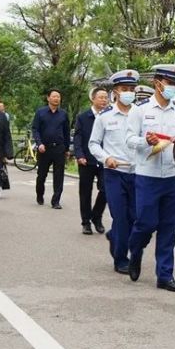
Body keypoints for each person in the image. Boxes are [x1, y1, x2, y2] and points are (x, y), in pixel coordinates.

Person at [125, 64, 175, 291]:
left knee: (168, 228)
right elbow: (129, 139)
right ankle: (136, 250)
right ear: (157, 83)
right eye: (168, 83)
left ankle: (165, 274)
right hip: (147, 176)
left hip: (172, 176)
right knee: (146, 223)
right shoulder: (139, 110)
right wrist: (146, 141)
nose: (172, 87)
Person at [89, 70, 139, 274]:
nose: (128, 92)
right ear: (116, 91)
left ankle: (114, 235)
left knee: (135, 217)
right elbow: (93, 143)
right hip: (114, 173)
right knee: (120, 216)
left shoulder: (141, 114)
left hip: (137, 173)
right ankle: (120, 258)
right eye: (124, 89)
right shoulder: (104, 117)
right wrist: (105, 158)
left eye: (131, 89)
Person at [74, 87, 109, 234]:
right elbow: (78, 138)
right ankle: (86, 222)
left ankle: (97, 216)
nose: (104, 100)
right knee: (85, 192)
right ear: (93, 99)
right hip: (86, 160)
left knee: (106, 189)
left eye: (106, 97)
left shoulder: (110, 116)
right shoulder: (83, 117)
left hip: (105, 160)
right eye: (101, 97)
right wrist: (79, 155)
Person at [31, 88, 71, 208]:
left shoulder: (63, 114)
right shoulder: (40, 112)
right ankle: (39, 194)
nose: (56, 98)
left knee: (59, 175)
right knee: (42, 175)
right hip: (44, 149)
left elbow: (66, 132)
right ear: (48, 98)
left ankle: (56, 201)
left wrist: (67, 148)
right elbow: (35, 129)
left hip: (59, 148)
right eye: (54, 96)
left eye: (58, 96)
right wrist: (39, 143)